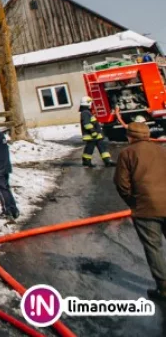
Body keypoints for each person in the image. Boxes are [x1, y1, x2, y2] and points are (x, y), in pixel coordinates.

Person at [113, 117, 166, 300]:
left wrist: (133, 202)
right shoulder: (161, 149)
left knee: (154, 248)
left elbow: (122, 184)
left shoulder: (127, 153)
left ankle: (164, 288)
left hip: (146, 208)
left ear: (130, 137)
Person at [80, 96, 114, 168]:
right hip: (92, 135)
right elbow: (87, 124)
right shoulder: (85, 113)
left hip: (95, 135)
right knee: (90, 148)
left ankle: (107, 161)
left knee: (102, 147)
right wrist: (93, 132)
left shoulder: (87, 112)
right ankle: (86, 161)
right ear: (88, 103)